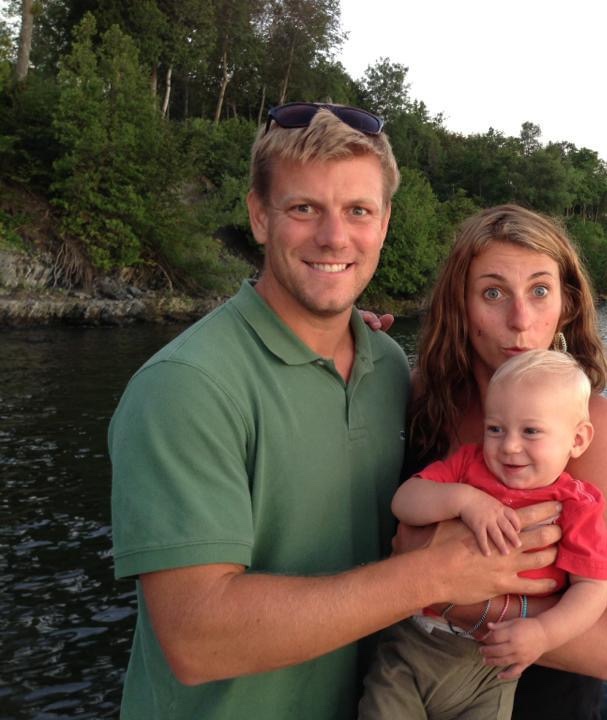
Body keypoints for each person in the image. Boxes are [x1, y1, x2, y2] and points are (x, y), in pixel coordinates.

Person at [108, 104, 563, 720]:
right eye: (304, 208)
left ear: (384, 223)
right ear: (259, 216)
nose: (334, 237)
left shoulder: (388, 367)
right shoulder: (185, 386)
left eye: (358, 211)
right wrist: (435, 576)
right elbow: (196, 638)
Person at [403, 204, 607, 719]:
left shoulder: (596, 429)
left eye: (539, 290)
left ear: (566, 304)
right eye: (493, 293)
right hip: (414, 688)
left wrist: (425, 582)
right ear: (460, 305)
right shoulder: (421, 399)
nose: (520, 319)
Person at [359, 350, 607, 718]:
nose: (509, 445)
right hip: (415, 644)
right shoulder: (467, 465)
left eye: (530, 431)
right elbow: (404, 502)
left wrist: (544, 634)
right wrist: (464, 500)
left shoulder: (577, 507)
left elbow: (592, 590)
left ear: (577, 439)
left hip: (490, 670)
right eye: (495, 429)